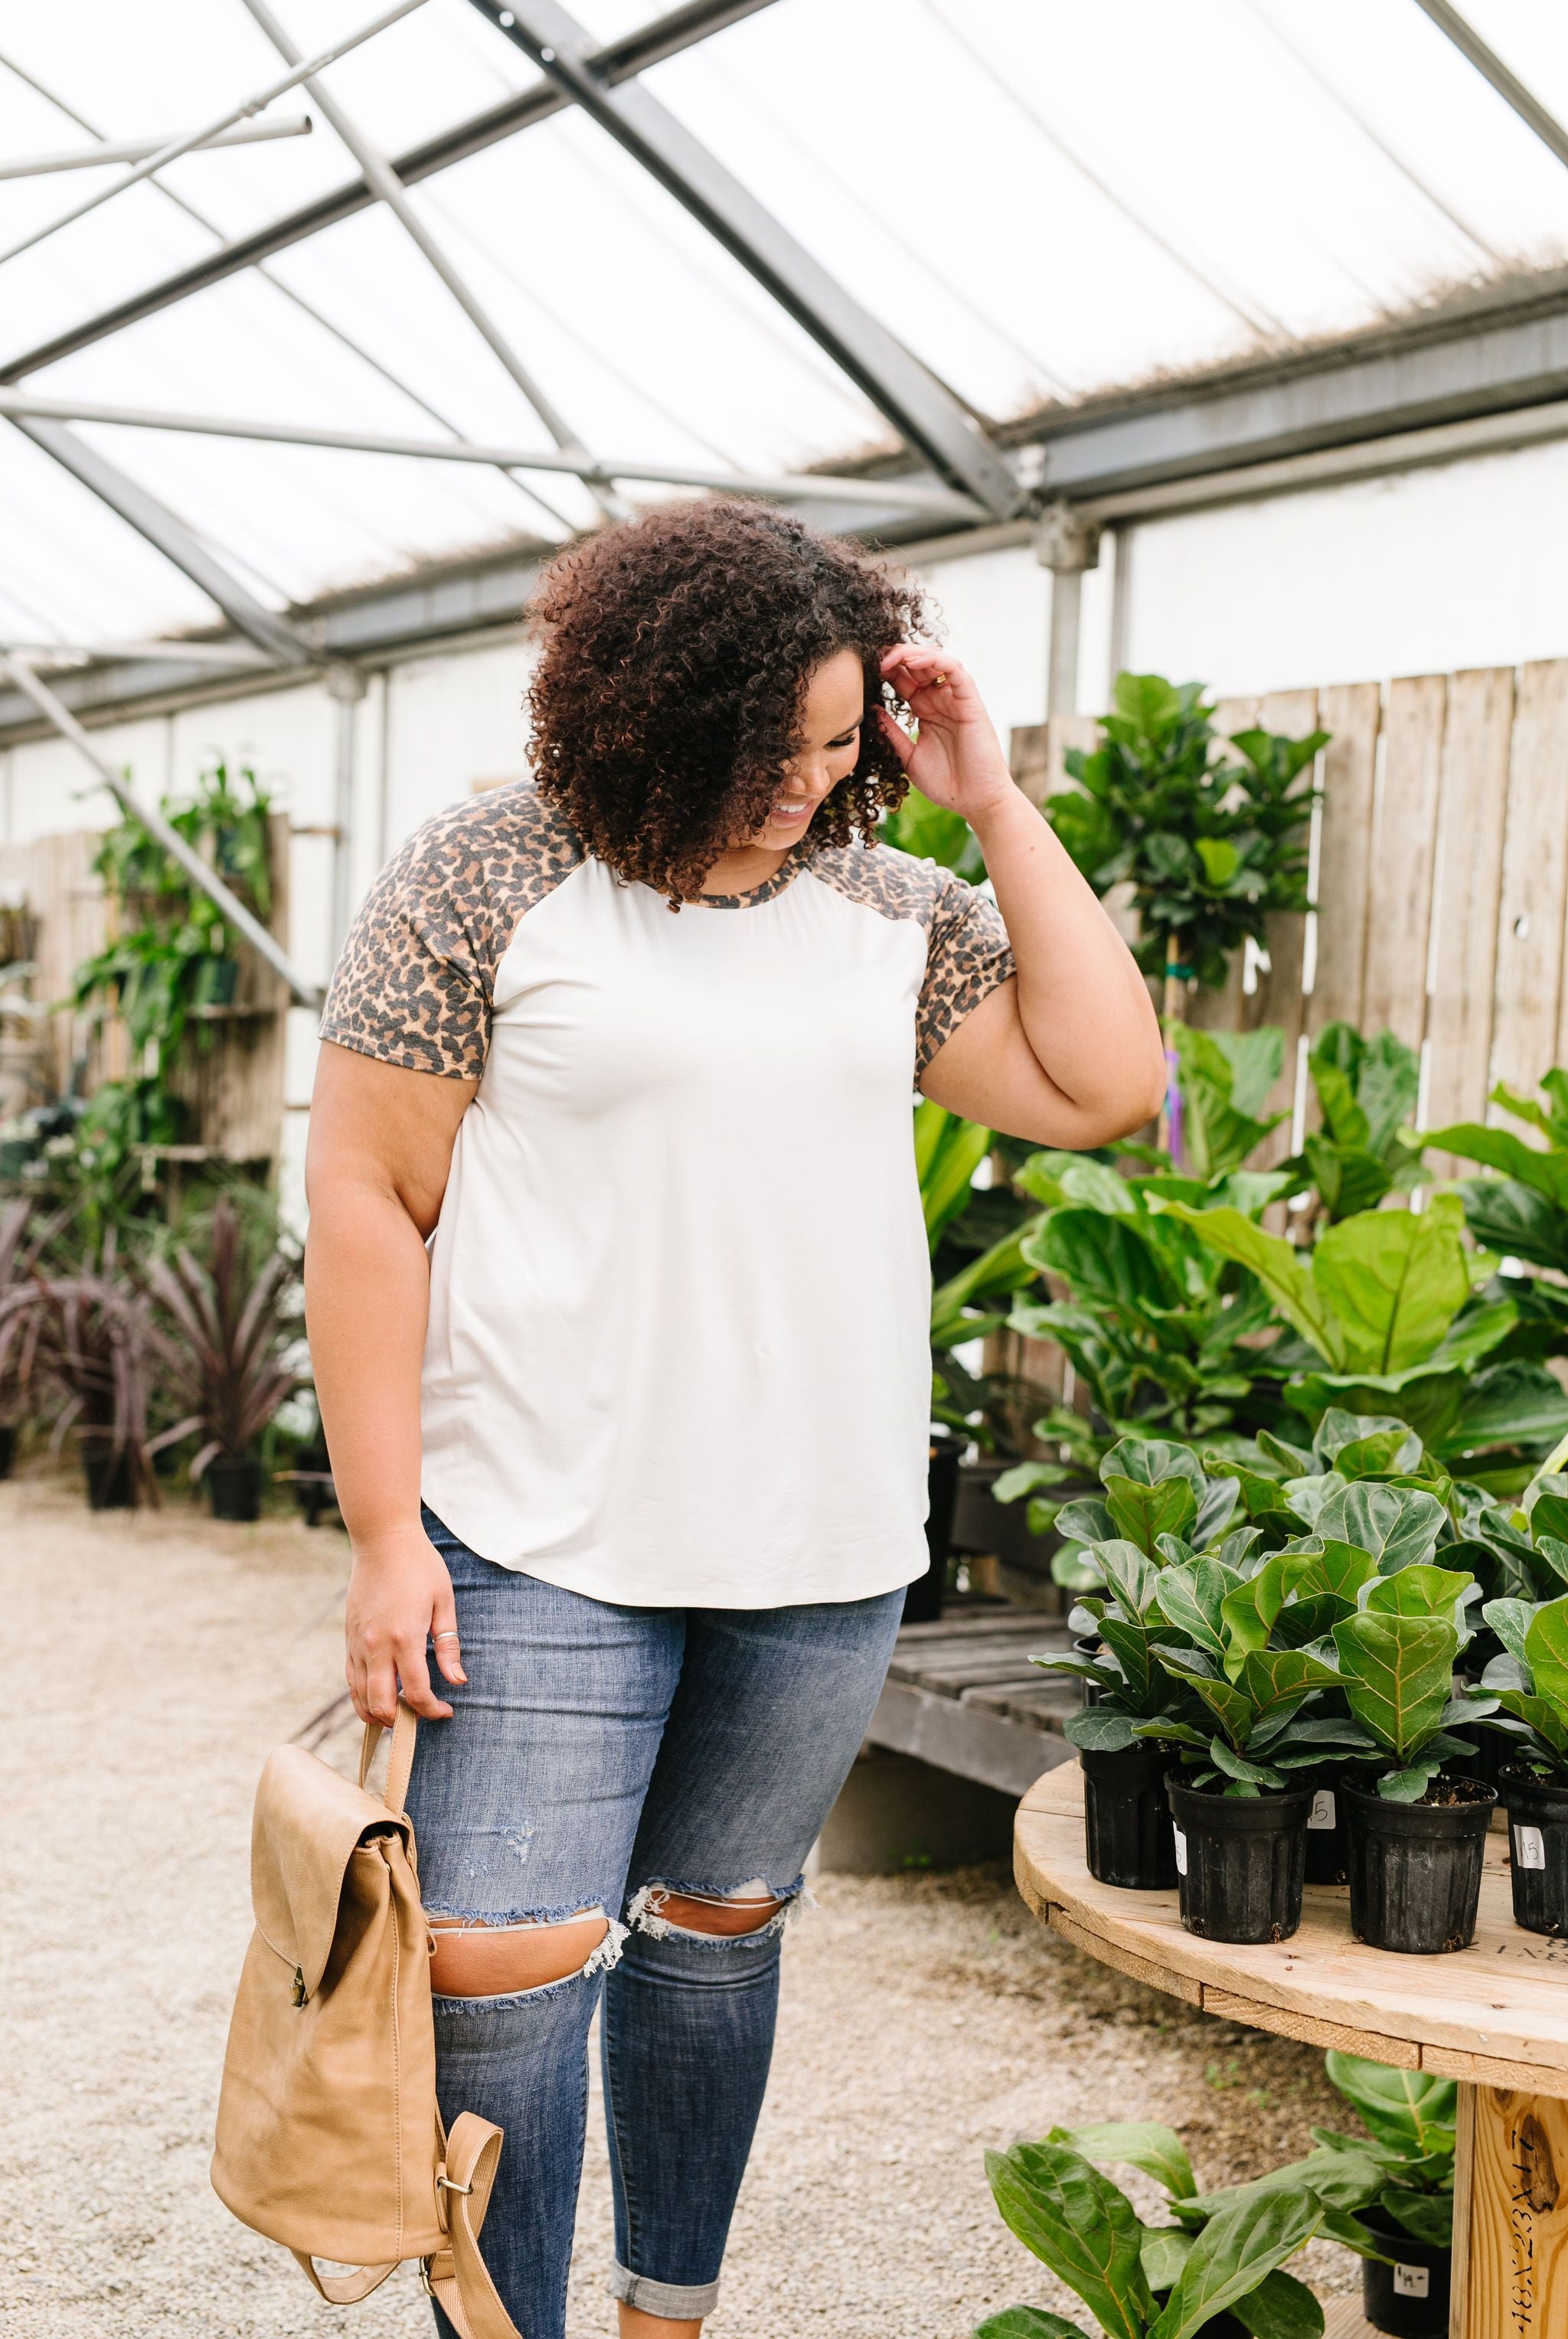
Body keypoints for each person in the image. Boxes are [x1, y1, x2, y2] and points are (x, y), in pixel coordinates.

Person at [304, 497, 1165, 2339]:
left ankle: (665, 2316)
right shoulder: (486, 876)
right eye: (762, 750)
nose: (799, 788)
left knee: (712, 1938)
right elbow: (368, 1198)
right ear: (642, 715)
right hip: (534, 1527)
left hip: (816, 1541)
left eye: (836, 744)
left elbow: (1103, 1084)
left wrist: (991, 806)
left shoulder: (886, 907)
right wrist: (386, 1534)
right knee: (502, 1973)